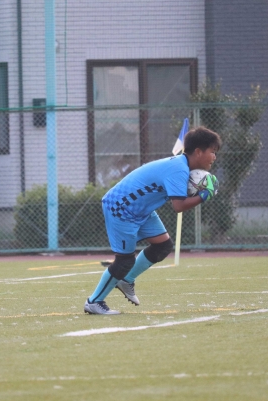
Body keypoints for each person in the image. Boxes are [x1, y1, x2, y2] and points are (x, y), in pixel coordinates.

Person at [84, 126, 221, 315]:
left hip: (141, 209)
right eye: (212, 152)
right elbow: (178, 206)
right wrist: (205, 195)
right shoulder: (179, 169)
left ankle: (126, 280)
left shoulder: (181, 167)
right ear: (198, 152)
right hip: (121, 207)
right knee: (124, 260)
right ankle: (94, 302)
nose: (214, 157)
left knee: (162, 246)